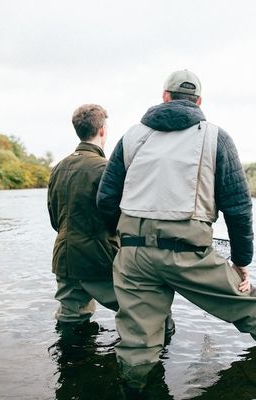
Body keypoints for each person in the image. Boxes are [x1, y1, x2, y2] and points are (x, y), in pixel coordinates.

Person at [97, 70, 256, 388]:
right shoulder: (216, 137)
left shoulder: (130, 137)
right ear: (199, 101)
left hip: (133, 254)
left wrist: (124, 244)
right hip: (189, 253)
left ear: (165, 97)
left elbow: (106, 201)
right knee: (250, 307)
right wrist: (241, 262)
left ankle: (136, 389)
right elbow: (238, 208)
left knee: (137, 348)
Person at [47, 104, 175, 339]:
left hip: (64, 258)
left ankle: (69, 371)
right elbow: (120, 219)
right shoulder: (107, 169)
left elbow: (55, 219)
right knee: (151, 312)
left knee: (71, 320)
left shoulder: (57, 168)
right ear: (103, 131)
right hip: (99, 258)